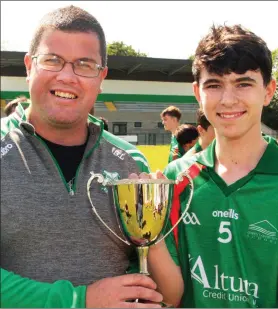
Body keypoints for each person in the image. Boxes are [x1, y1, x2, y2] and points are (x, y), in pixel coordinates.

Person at [1, 5, 163, 308]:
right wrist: (80, 300)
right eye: (52, 60)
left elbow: (147, 268)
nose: (67, 76)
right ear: (28, 66)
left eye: (84, 65)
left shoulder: (130, 162)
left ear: (101, 77)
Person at [148, 24, 278, 308]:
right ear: (197, 92)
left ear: (268, 91)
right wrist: (149, 233)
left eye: (243, 83)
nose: (228, 100)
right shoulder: (174, 179)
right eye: (214, 85)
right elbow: (169, 298)